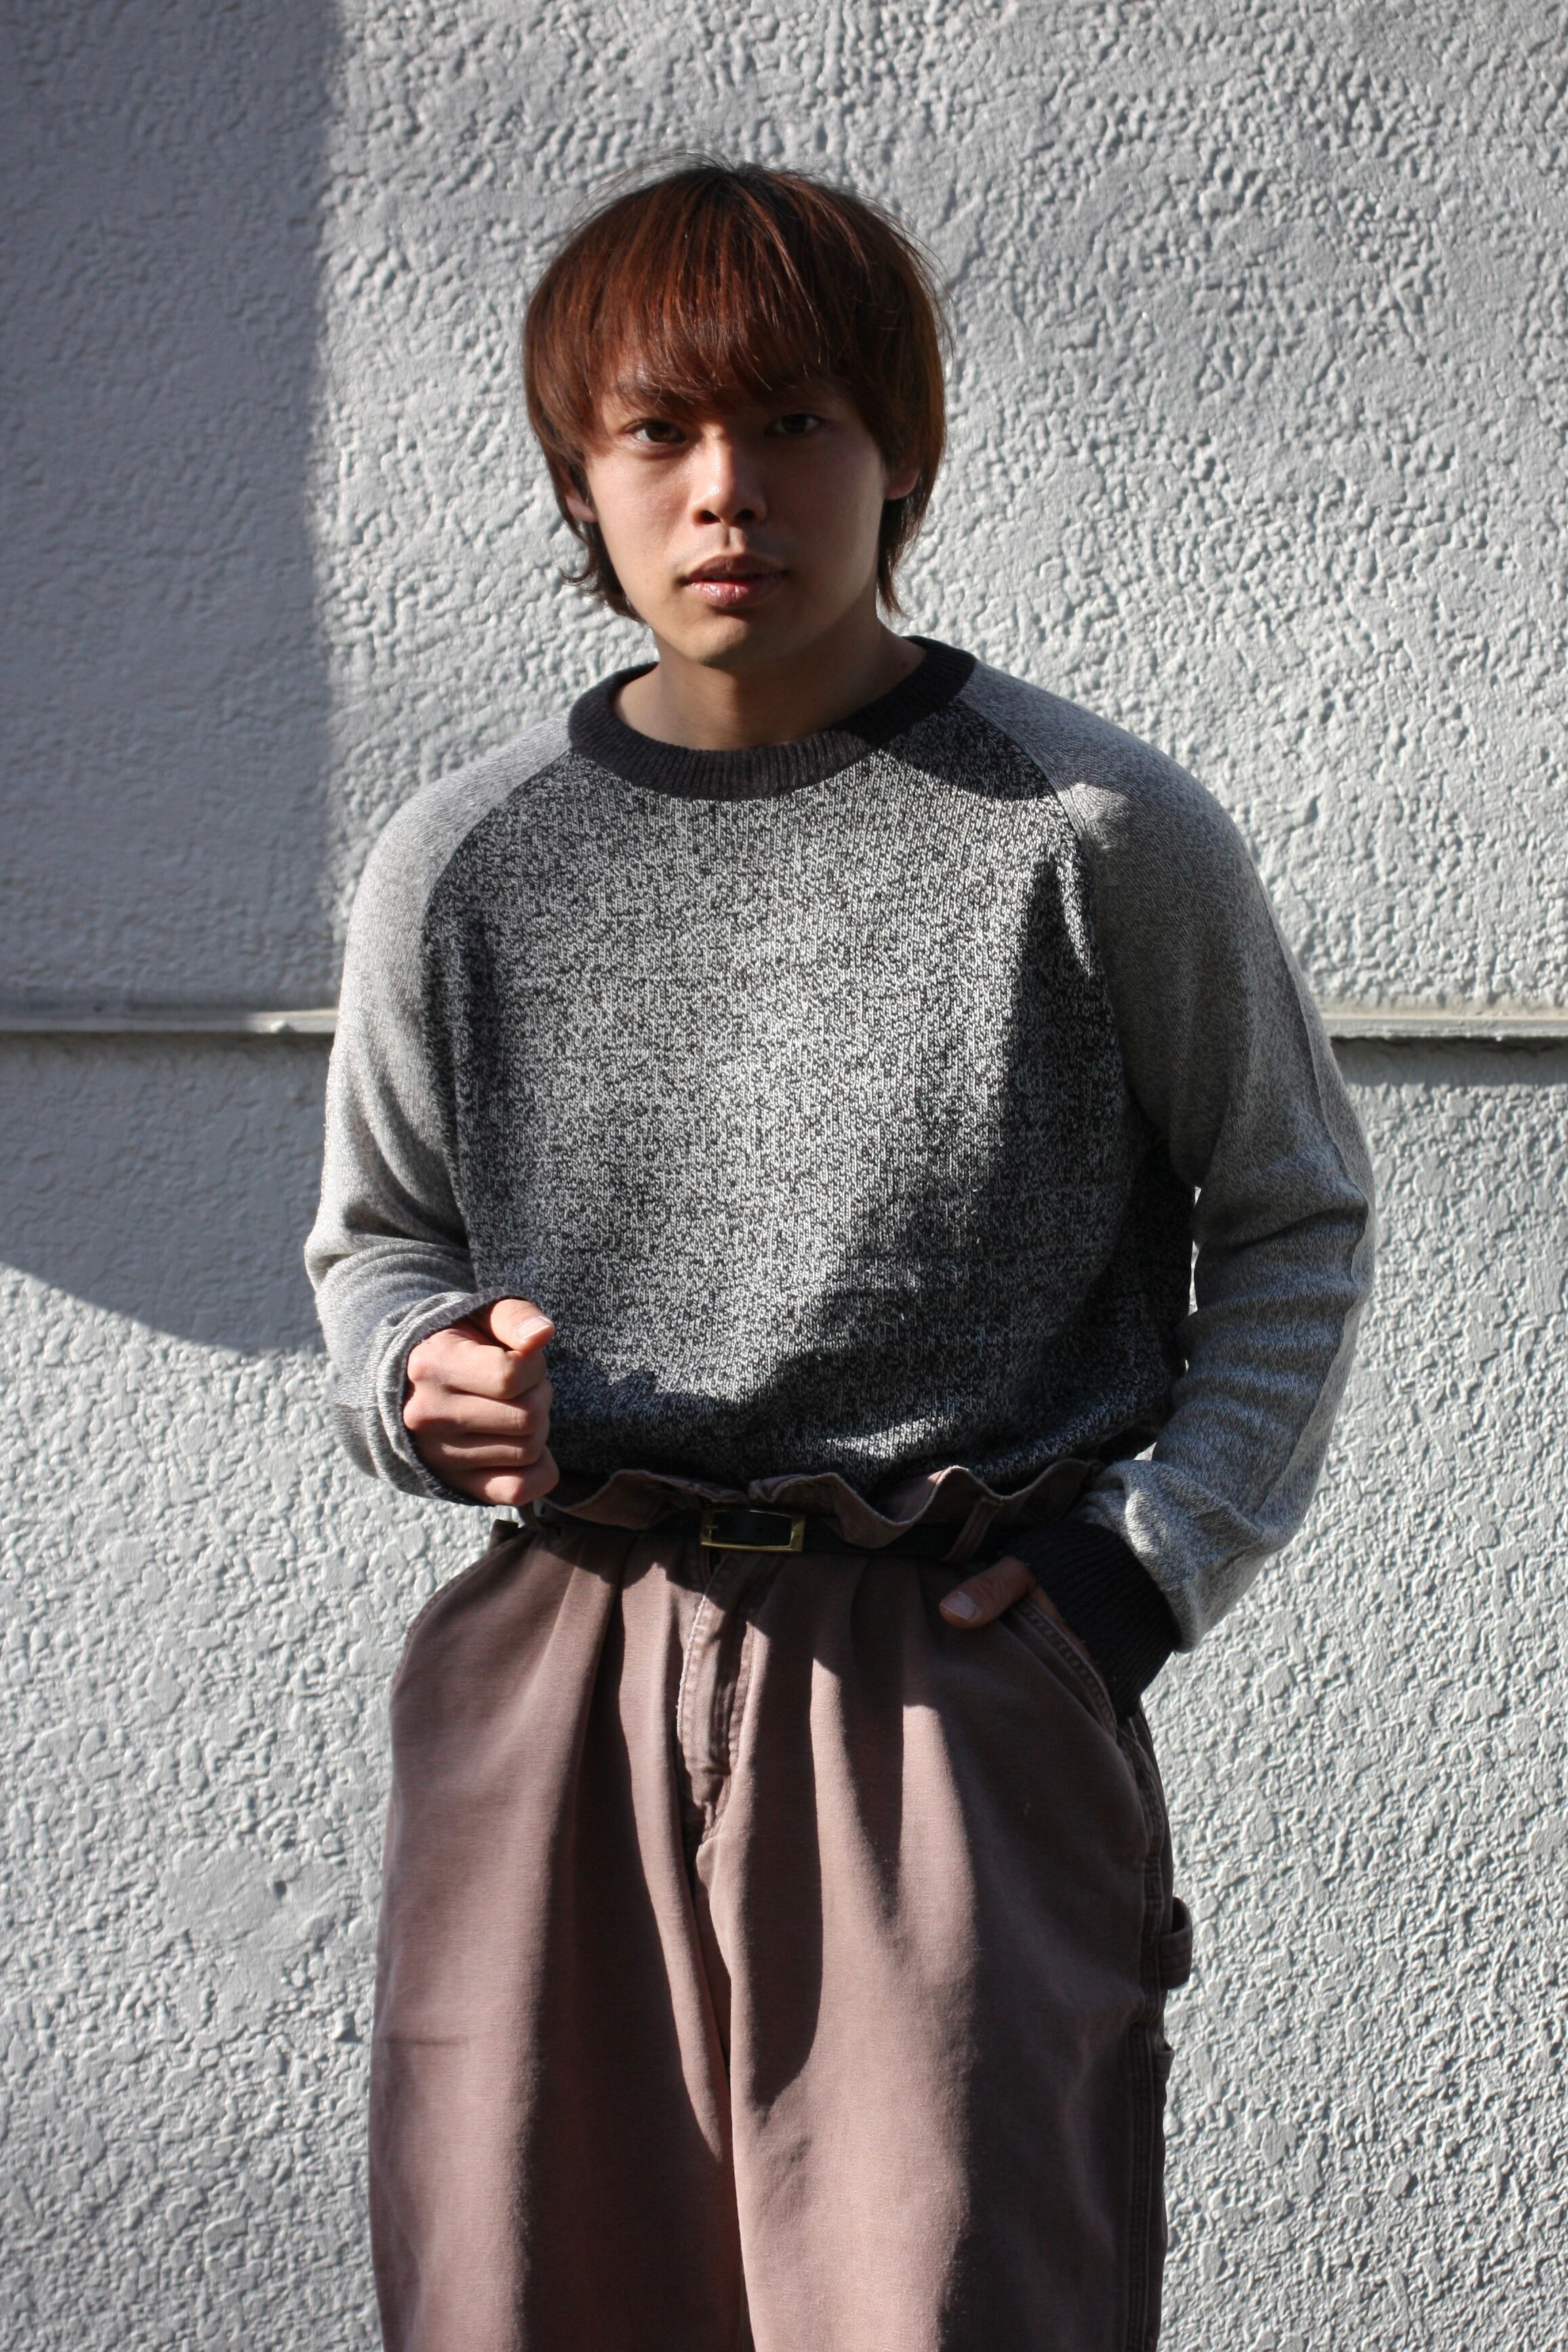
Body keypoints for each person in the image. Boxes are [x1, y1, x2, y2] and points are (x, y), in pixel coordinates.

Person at [306, 161, 1375, 2352]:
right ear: (577, 479)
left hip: (943, 1676)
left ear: (902, 455)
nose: (728, 491)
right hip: (570, 1663)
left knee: (944, 2300)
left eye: (793, 422)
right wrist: (420, 1377)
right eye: (659, 433)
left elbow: (1291, 1211)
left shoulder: (1089, 832)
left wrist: (1135, 1572)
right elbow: (380, 1239)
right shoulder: (465, 858)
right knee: (526, 2292)